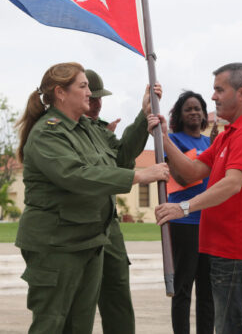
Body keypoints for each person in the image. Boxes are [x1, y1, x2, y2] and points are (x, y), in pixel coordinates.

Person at [14, 62, 168, 334]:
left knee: (79, 326)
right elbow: (76, 176)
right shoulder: (47, 133)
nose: (90, 94)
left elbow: (120, 156)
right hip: (57, 245)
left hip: (90, 241)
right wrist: (139, 177)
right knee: (52, 323)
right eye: (83, 87)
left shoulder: (87, 129)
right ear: (61, 93)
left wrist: (145, 114)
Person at [154, 62, 242, 334]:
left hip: (237, 251)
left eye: (220, 90)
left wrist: (183, 207)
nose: (213, 97)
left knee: (232, 327)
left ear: (241, 93)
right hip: (226, 248)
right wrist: (165, 138)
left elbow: (232, 184)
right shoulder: (226, 135)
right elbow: (193, 170)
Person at [84, 68, 155, 334]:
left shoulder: (100, 131)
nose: (97, 104)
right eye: (92, 98)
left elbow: (123, 158)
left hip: (108, 225)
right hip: (80, 225)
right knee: (80, 305)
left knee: (118, 298)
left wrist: (144, 115)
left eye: (100, 98)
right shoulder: (60, 132)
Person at [166, 91, 214, 334]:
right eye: (189, 109)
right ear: (180, 115)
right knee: (183, 287)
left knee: (208, 289)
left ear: (205, 114)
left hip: (210, 224)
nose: (194, 112)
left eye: (198, 108)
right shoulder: (172, 141)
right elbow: (182, 177)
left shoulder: (210, 144)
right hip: (184, 222)